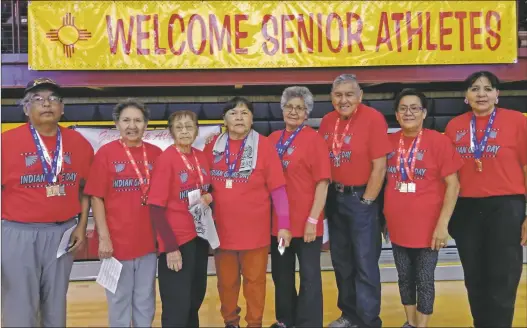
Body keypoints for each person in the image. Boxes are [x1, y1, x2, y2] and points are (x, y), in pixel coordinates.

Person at [1, 78, 94, 327]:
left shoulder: (79, 143)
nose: (46, 104)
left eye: (53, 99)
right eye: (37, 99)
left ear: (62, 108)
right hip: (17, 233)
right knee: (19, 304)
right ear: (25, 108)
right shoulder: (6, 143)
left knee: (55, 304)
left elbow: (86, 190)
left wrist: (81, 226)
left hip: (63, 233)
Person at [445, 71, 527, 328]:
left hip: (506, 207)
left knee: (503, 276)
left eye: (488, 88)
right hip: (467, 209)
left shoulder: (517, 121)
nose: (481, 94)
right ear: (466, 96)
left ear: (497, 94)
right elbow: (449, 177)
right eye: (475, 89)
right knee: (475, 276)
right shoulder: (454, 127)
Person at [203, 96, 292, 328]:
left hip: (255, 231)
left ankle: (254, 323)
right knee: (226, 282)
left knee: (255, 282)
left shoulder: (264, 146)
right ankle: (230, 322)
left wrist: (284, 223)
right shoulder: (211, 147)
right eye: (233, 113)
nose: (239, 117)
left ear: (252, 118)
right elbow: (201, 183)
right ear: (224, 119)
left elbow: (278, 189)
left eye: (244, 113)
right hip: (221, 230)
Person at [383, 89, 463, 328]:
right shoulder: (388, 143)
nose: (409, 113)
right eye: (403, 109)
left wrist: (442, 225)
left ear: (424, 113)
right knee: (404, 278)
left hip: (429, 227)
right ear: (396, 115)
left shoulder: (438, 141)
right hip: (397, 226)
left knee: (425, 279)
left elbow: (454, 185)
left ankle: (422, 325)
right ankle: (410, 322)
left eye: (414, 108)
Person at [319, 74, 391, 328]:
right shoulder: (327, 121)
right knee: (342, 262)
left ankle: (369, 320)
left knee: (364, 263)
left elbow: (379, 167)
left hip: (361, 199)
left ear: (360, 96)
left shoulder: (373, 118)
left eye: (349, 94)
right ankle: (349, 315)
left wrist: (368, 201)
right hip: (335, 199)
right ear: (331, 97)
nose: (343, 100)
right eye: (338, 95)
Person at [84, 100, 162, 327]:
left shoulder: (156, 154)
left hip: (148, 241)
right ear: (117, 124)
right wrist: (104, 237)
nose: (132, 125)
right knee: (118, 299)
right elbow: (96, 197)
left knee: (145, 299)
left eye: (138, 120)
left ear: (146, 124)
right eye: (126, 120)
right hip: (116, 243)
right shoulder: (106, 154)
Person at [267, 86, 331, 328]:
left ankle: (309, 323)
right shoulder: (272, 140)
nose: (293, 112)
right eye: (289, 107)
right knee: (282, 275)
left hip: (307, 225)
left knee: (309, 277)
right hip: (280, 226)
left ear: (307, 113)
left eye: (299, 108)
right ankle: (285, 320)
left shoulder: (314, 140)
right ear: (282, 110)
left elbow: (323, 183)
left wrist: (313, 220)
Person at [147, 110, 213, 327]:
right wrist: (170, 248)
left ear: (196, 130)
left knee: (195, 298)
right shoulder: (166, 160)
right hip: (177, 242)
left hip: (199, 238)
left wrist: (209, 195)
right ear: (171, 132)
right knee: (177, 305)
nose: (184, 131)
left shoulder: (201, 156)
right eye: (179, 127)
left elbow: (208, 187)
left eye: (189, 126)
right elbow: (156, 207)